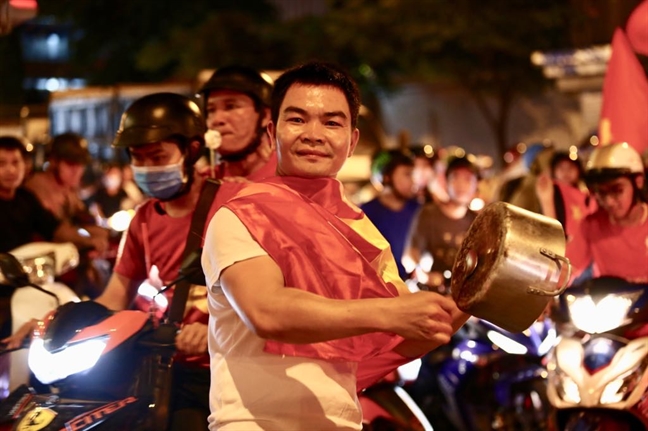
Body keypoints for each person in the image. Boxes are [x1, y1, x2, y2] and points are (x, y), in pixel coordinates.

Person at [201, 61, 469, 430]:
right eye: (297, 119)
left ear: (352, 140)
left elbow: (390, 346)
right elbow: (266, 311)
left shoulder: (362, 231)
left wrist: (475, 298)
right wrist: (390, 313)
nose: (314, 134)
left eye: (331, 122)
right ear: (271, 131)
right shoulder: (239, 215)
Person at [0, 136, 105, 254]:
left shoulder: (25, 198)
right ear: (54, 162)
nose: (10, 170)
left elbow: (55, 227)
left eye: (15, 163)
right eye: (2, 163)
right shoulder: (37, 187)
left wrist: (91, 239)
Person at [567, 142, 648, 284]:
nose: (609, 201)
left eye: (617, 190)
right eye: (601, 193)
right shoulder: (591, 225)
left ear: (638, 182)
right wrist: (547, 293)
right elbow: (566, 269)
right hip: (609, 303)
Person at [404, 155, 479, 291]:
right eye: (455, 177)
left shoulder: (477, 221)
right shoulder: (428, 213)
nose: (461, 185)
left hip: (461, 296)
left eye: (468, 179)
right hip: (430, 292)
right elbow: (410, 254)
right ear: (446, 182)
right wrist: (423, 274)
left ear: (476, 185)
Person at [199, 65, 277, 182]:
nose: (216, 120)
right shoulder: (203, 183)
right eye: (211, 110)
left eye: (231, 106)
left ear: (265, 116)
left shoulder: (291, 178)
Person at [360, 149, 420, 280]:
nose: (413, 181)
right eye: (407, 175)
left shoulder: (419, 210)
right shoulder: (366, 214)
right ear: (387, 177)